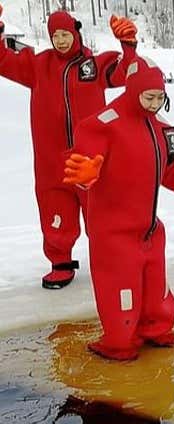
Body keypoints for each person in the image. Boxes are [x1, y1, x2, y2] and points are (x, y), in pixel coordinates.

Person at [62, 56, 174, 361]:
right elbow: (83, 158)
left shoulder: (159, 128)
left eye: (160, 98)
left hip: (148, 229)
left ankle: (157, 330)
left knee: (156, 290)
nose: (155, 104)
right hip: (114, 233)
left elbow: (171, 169)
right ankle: (118, 343)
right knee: (122, 292)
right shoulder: (103, 125)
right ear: (132, 91)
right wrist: (86, 175)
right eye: (149, 97)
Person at [0, 6, 138, 289]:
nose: (61, 40)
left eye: (65, 34)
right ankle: (60, 262)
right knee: (55, 209)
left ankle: (110, 259)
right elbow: (3, 60)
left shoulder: (95, 66)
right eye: (55, 36)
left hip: (90, 159)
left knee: (101, 209)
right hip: (51, 161)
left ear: (76, 33)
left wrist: (128, 45)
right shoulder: (38, 65)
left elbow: (127, 72)